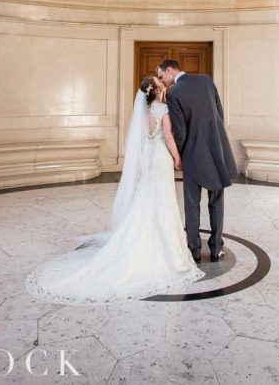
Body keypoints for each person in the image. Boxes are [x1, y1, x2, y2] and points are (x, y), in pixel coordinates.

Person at [25, 75, 204, 304]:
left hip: (147, 157)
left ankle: (138, 239)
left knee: (147, 197)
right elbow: (168, 136)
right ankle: (166, 247)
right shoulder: (162, 109)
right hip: (160, 157)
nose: (163, 86)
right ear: (158, 91)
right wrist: (177, 158)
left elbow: (141, 139)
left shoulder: (142, 111)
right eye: (161, 85)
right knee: (163, 199)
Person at [157, 59, 239, 264]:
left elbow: (180, 129)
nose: (162, 81)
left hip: (193, 153)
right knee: (217, 201)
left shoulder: (174, 93)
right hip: (216, 149)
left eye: (162, 76)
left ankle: (193, 249)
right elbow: (219, 113)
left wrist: (179, 156)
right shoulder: (205, 80)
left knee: (192, 203)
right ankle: (216, 248)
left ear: (169, 70)